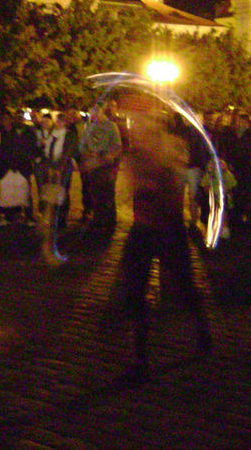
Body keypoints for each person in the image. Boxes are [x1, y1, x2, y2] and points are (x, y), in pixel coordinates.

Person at [117, 111, 210, 384]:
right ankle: (139, 357)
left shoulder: (172, 153)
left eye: (146, 129)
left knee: (183, 285)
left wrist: (149, 180)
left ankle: (203, 332)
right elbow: (129, 187)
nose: (140, 133)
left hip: (168, 229)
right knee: (134, 291)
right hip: (142, 230)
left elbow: (173, 181)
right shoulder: (137, 155)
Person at [78, 103, 122, 237]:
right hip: (93, 165)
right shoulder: (90, 127)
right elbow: (83, 145)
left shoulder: (111, 126)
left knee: (107, 194)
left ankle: (108, 222)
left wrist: (108, 155)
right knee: (95, 193)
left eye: (94, 113)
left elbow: (117, 145)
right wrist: (87, 154)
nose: (92, 116)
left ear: (100, 113)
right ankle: (97, 220)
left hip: (105, 165)